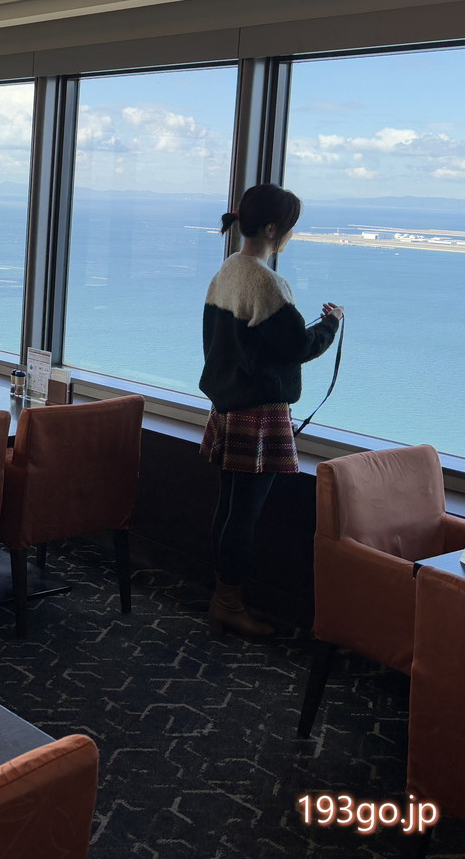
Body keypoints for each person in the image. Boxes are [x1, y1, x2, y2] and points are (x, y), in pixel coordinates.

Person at [200, 183, 342, 639]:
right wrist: (331, 324)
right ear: (272, 229)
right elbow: (298, 347)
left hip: (227, 407)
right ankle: (229, 603)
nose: (292, 235)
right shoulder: (266, 282)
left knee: (229, 508)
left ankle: (222, 597)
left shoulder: (228, 270)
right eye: (291, 227)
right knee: (245, 516)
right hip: (258, 415)